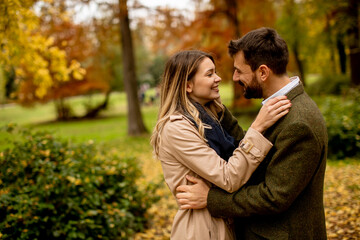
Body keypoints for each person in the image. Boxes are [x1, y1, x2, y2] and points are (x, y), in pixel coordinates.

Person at [176, 27, 328, 240]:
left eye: (239, 70)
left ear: (263, 72)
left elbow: (273, 196)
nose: (234, 77)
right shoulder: (281, 105)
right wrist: (219, 111)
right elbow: (252, 148)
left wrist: (211, 199)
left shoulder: (299, 123)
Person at [150, 50, 291, 239]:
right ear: (188, 85)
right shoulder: (176, 128)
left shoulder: (210, 118)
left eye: (215, 72)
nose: (218, 78)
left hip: (223, 224)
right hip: (202, 230)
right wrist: (257, 128)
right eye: (209, 74)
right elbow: (228, 177)